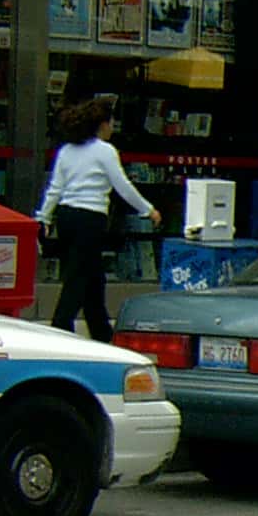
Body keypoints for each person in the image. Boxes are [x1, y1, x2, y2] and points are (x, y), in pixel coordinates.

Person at [35, 96, 161, 343]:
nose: (113, 127)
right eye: (111, 122)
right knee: (78, 276)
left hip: (66, 215)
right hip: (90, 217)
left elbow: (55, 188)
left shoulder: (66, 151)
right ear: (102, 124)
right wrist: (148, 209)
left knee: (92, 277)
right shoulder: (105, 152)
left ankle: (102, 332)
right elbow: (122, 186)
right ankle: (60, 327)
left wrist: (44, 216)